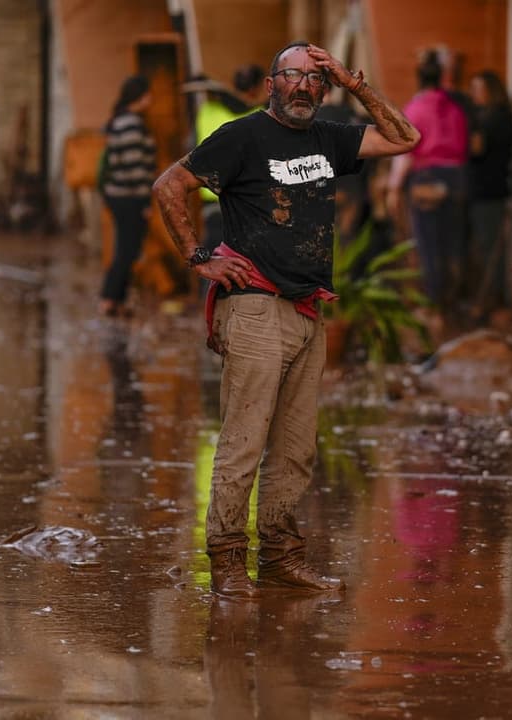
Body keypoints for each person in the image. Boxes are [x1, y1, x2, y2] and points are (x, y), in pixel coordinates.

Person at [153, 42, 419, 598]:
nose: (303, 87)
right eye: (292, 76)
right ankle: (227, 563)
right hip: (252, 305)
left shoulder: (329, 138)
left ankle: (280, 557)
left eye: (314, 80)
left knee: (297, 449)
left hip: (306, 309)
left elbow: (405, 138)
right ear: (271, 83)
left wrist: (357, 85)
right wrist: (200, 258)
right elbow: (169, 185)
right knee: (243, 442)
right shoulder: (242, 136)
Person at [386, 49, 469, 318]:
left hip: (427, 181)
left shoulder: (415, 109)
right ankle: (454, 302)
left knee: (430, 247)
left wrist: (394, 188)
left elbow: (406, 153)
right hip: (457, 179)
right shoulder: (456, 109)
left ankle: (436, 307)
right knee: (454, 244)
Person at [193, 65, 268, 263]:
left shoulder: (207, 111)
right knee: (244, 255)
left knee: (211, 252)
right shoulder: (259, 115)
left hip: (210, 193)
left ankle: (207, 291)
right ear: (255, 89)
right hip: (243, 198)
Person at [99, 75, 156, 317]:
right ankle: (109, 297)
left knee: (126, 248)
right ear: (139, 97)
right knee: (127, 250)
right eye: (148, 94)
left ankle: (117, 298)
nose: (152, 100)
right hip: (129, 196)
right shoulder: (131, 124)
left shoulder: (120, 121)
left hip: (118, 194)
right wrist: (145, 201)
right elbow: (135, 168)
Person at [467, 69, 512, 317]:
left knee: (490, 249)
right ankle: (494, 298)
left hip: (488, 192)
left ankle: (494, 301)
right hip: (493, 189)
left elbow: (476, 149)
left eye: (478, 90)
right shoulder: (503, 116)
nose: (474, 95)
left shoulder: (491, 120)